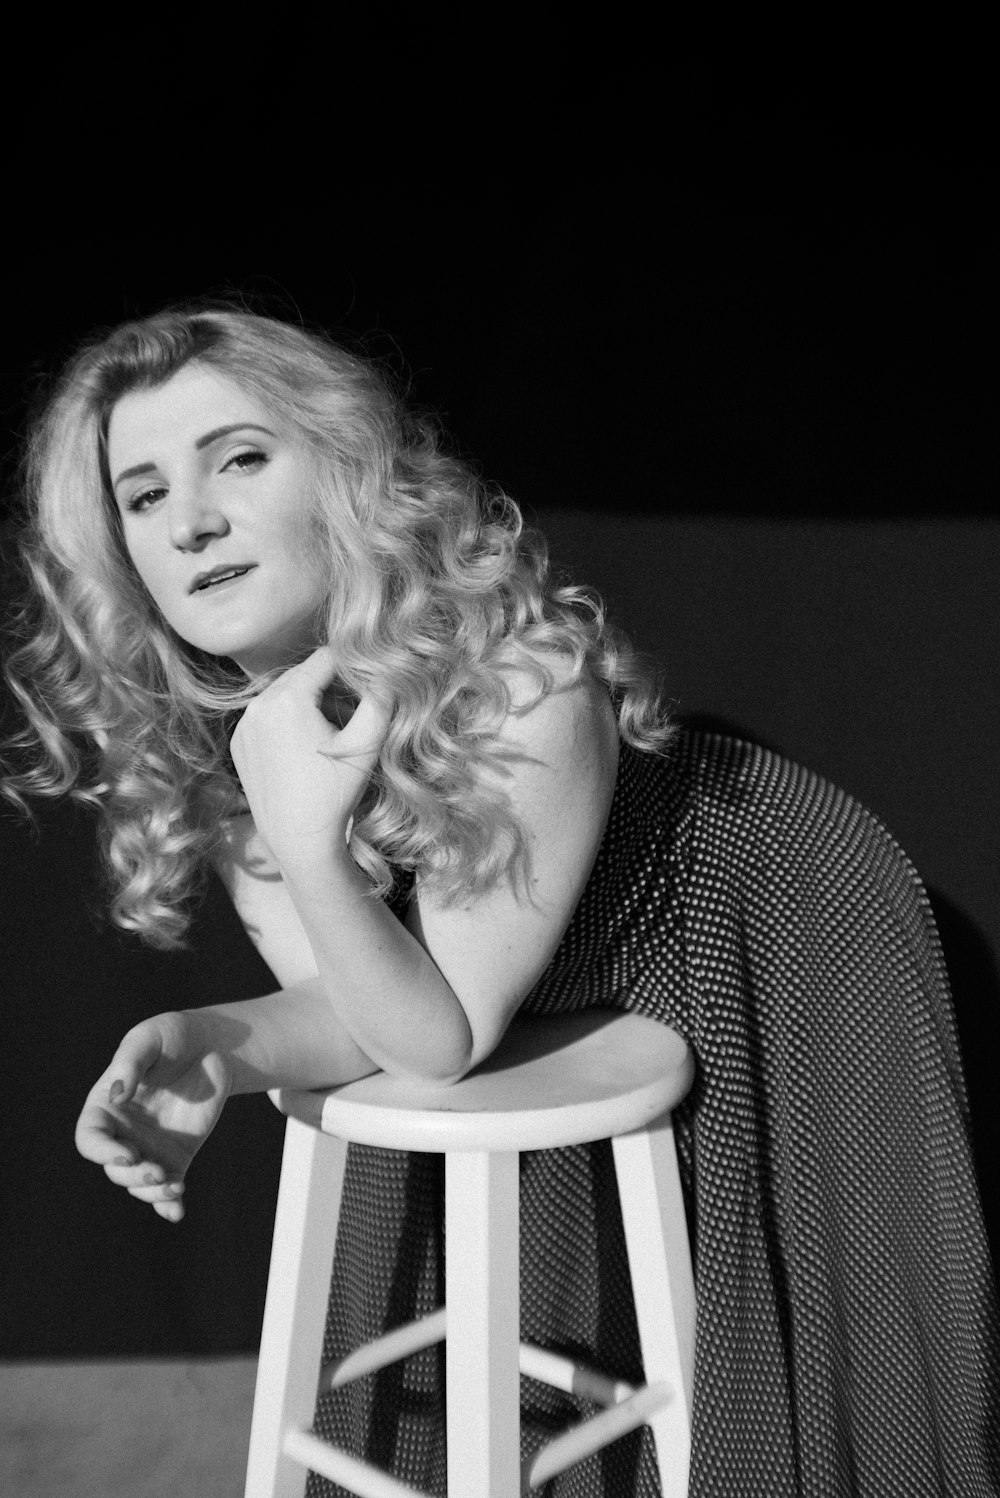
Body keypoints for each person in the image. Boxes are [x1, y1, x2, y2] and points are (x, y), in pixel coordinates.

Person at [3, 304, 997, 1497]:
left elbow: (439, 1039)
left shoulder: (524, 680)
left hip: (772, 924)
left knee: (804, 1375)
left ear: (343, 473)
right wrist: (221, 1043)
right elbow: (366, 1009)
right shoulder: (253, 739)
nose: (193, 520)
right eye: (145, 494)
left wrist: (308, 843)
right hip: (536, 982)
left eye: (241, 458)